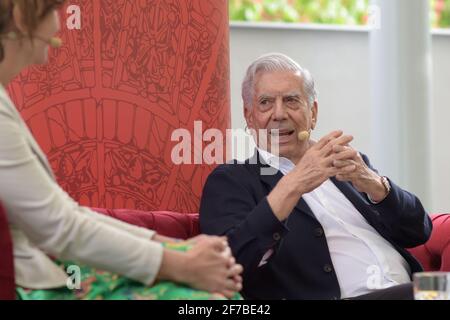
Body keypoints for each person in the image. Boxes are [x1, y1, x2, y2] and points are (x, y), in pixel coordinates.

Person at [0, 0, 242, 300]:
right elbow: (59, 227)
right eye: (52, 10)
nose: (59, 23)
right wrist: (180, 263)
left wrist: (173, 246)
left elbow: (65, 214)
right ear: (22, 19)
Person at [199, 53, 432, 300]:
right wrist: (294, 184)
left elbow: (419, 231)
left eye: (291, 100)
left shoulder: (347, 163)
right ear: (249, 116)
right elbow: (230, 262)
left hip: (408, 289)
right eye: (265, 102)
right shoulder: (233, 180)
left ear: (313, 113)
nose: (278, 114)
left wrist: (375, 184)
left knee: (436, 290)